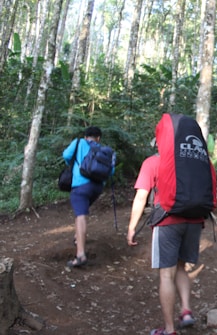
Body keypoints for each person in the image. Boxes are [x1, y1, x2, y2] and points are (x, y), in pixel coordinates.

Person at [127, 147, 205, 335]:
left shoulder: (152, 162)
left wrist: (132, 227)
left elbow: (141, 197)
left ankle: (170, 330)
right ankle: (186, 311)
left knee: (166, 275)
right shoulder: (194, 160)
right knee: (181, 266)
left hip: (167, 221)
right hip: (194, 220)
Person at [63, 126, 112, 268]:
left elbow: (66, 155)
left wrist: (73, 165)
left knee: (80, 216)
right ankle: (77, 236)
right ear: (98, 138)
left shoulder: (79, 142)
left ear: (86, 137)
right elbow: (111, 170)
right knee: (81, 211)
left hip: (80, 186)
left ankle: (80, 255)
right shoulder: (103, 150)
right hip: (97, 188)